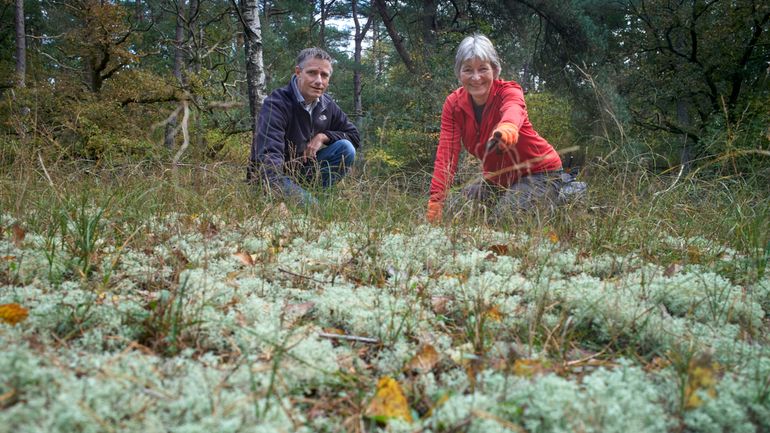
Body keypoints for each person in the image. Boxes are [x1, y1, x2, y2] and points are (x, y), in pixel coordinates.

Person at [426, 34, 564, 223]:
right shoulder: (453, 104)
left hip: (539, 173)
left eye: (483, 69)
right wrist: (437, 199)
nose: (476, 77)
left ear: (495, 70)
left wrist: (507, 128)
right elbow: (446, 155)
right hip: (497, 180)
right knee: (453, 211)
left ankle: (561, 198)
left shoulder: (509, 91)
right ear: (459, 73)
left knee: (503, 220)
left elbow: (513, 109)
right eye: (468, 70)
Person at [247, 47, 360, 205]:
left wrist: (323, 137)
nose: (319, 81)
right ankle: (310, 202)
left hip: (302, 173)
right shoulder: (277, 103)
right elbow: (268, 158)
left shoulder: (327, 104)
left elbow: (354, 136)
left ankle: (316, 196)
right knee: (313, 211)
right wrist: (277, 195)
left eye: (324, 75)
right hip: (272, 177)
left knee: (346, 148)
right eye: (312, 72)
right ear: (298, 72)